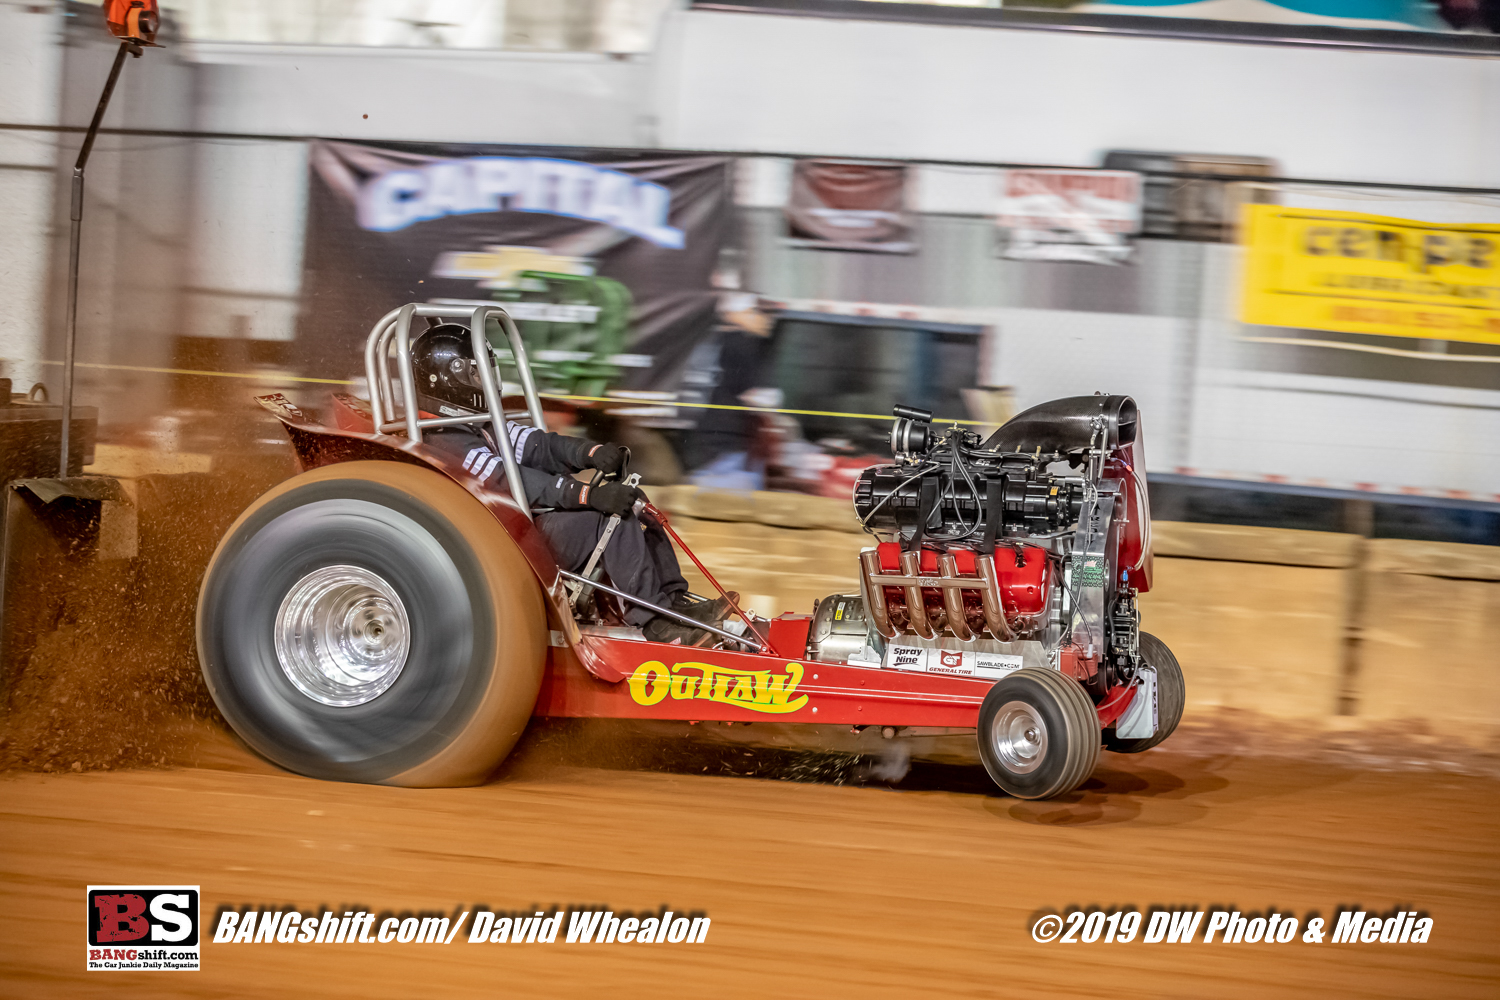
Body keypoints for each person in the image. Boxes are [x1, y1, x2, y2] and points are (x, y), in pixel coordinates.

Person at [410, 324, 733, 646]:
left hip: (522, 528)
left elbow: (538, 445)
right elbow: (512, 481)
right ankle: (655, 625)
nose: (486, 381)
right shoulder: (445, 441)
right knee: (613, 520)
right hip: (506, 545)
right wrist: (588, 495)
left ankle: (673, 604)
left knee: (633, 500)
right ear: (449, 380)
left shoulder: (475, 425)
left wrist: (591, 453)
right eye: (476, 373)